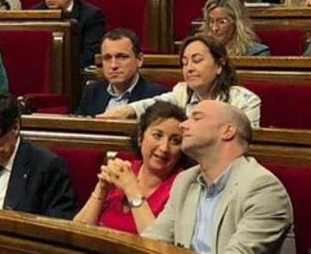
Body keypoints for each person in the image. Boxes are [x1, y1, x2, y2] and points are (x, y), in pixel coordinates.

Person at [142, 100, 295, 253]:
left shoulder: (262, 188)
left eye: (196, 118)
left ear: (227, 131)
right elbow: (152, 240)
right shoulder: (185, 180)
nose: (183, 125)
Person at [73, 101, 187, 234]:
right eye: (157, 135)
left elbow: (156, 245)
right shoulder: (124, 169)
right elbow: (77, 233)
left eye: (175, 141)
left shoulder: (182, 184)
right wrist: (101, 190)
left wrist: (132, 189)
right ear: (140, 137)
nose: (164, 148)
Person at [100, 34, 262, 127]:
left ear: (219, 65)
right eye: (184, 63)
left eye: (197, 60)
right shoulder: (181, 93)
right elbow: (151, 104)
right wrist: (122, 111)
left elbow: (244, 147)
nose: (189, 68)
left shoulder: (245, 101)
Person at [75, 29, 168, 116]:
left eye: (122, 57)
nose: (113, 65)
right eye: (107, 58)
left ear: (139, 59)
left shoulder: (157, 96)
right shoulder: (92, 91)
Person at [32, 0, 108, 68]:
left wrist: (58, 68)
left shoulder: (91, 15)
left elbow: (90, 55)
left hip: (74, 73)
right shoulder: (35, 13)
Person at [199, 0, 270, 56]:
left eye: (222, 22)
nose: (215, 28)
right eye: (211, 21)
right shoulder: (200, 51)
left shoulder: (256, 53)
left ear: (237, 23)